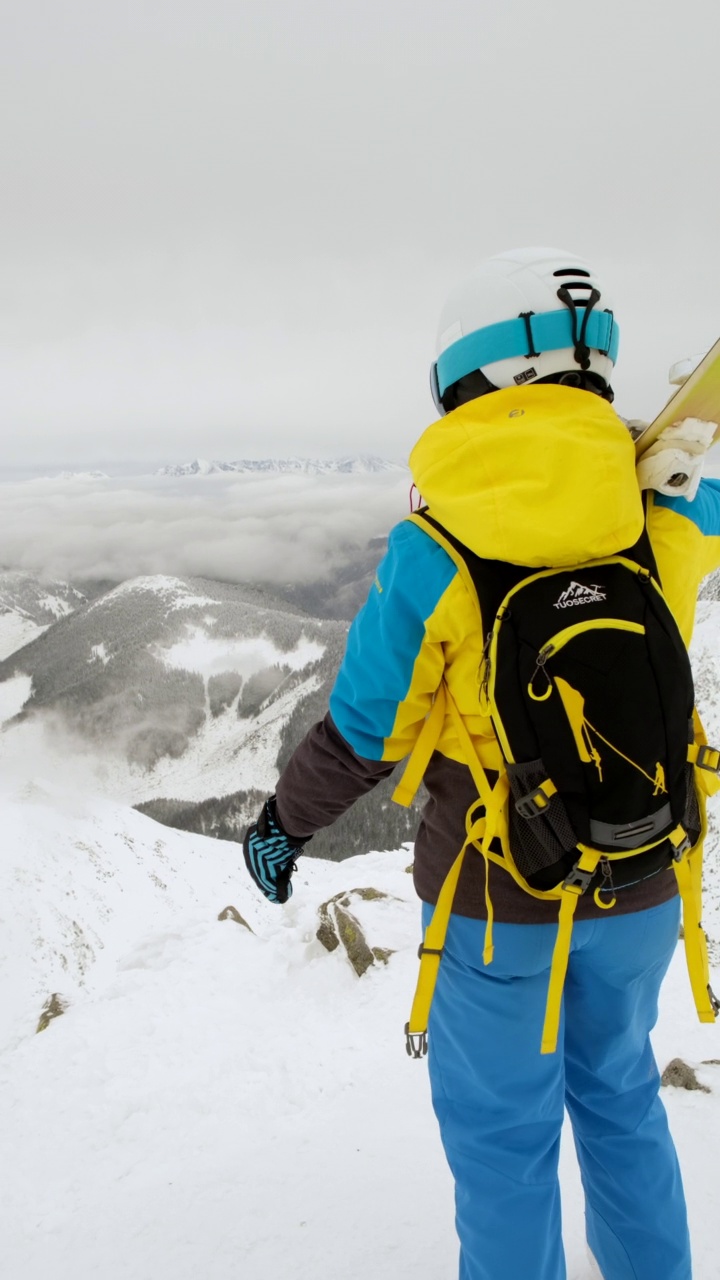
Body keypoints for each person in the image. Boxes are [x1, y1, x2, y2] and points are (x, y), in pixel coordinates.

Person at [243, 247, 720, 1280]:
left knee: (504, 1143)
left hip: (499, 900)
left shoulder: (437, 544)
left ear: (469, 386)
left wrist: (285, 822)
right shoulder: (660, 514)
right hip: (643, 879)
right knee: (621, 1093)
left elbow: (366, 728)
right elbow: (705, 506)